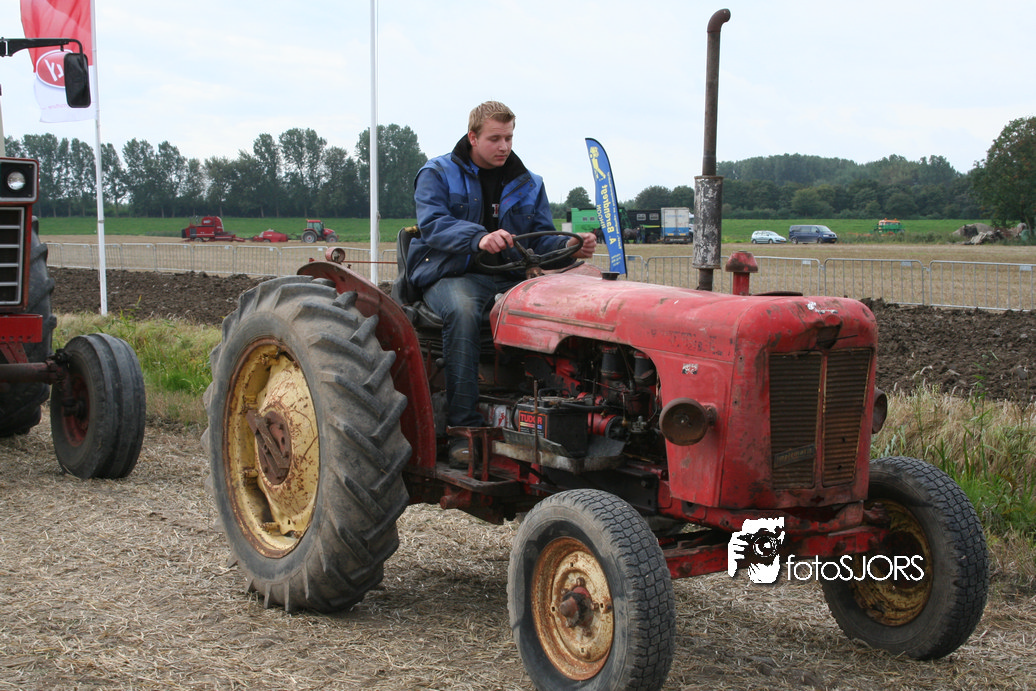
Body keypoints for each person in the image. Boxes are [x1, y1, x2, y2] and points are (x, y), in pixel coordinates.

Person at [408, 100, 596, 464]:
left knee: (564, 306)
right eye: (495, 139)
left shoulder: (529, 183)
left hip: (508, 276)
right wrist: (478, 237)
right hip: (451, 273)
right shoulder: (438, 173)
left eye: (509, 138)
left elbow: (541, 239)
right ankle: (463, 427)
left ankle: (557, 413)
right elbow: (433, 224)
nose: (504, 146)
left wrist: (570, 247)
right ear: (473, 137)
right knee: (463, 311)